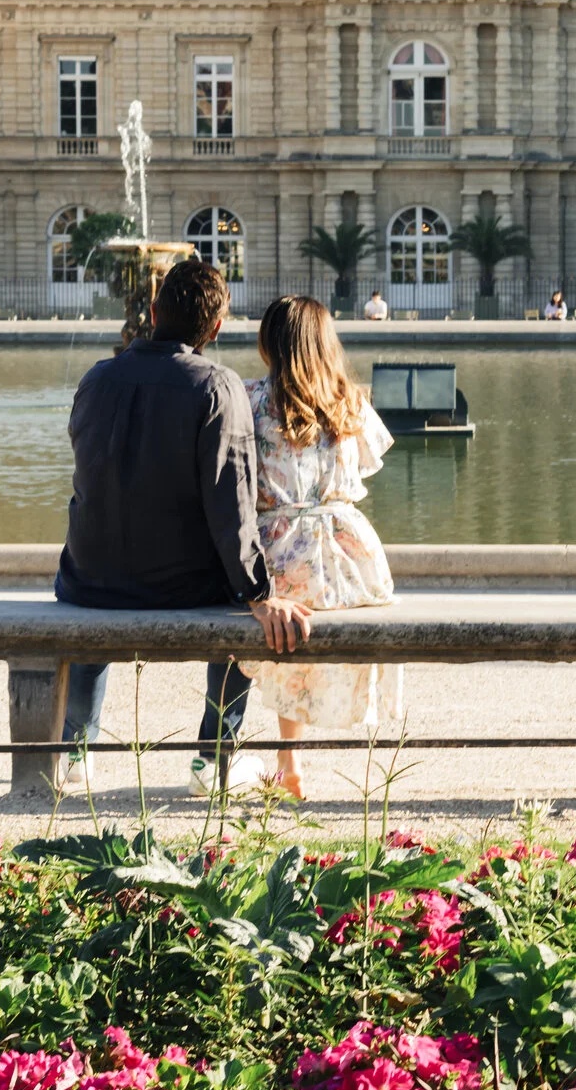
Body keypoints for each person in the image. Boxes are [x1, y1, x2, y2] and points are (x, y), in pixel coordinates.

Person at [54, 257, 313, 798]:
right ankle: (212, 759)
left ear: (152, 312)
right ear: (214, 329)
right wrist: (258, 595)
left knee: (92, 591)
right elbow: (232, 505)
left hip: (89, 578)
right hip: (182, 584)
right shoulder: (218, 387)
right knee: (240, 606)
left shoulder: (96, 378)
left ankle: (75, 751)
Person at [239, 296, 401, 798]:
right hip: (354, 560)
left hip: (280, 550)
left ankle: (284, 758)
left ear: (270, 343)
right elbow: (367, 468)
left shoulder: (250, 399)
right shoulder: (349, 400)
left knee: (273, 619)